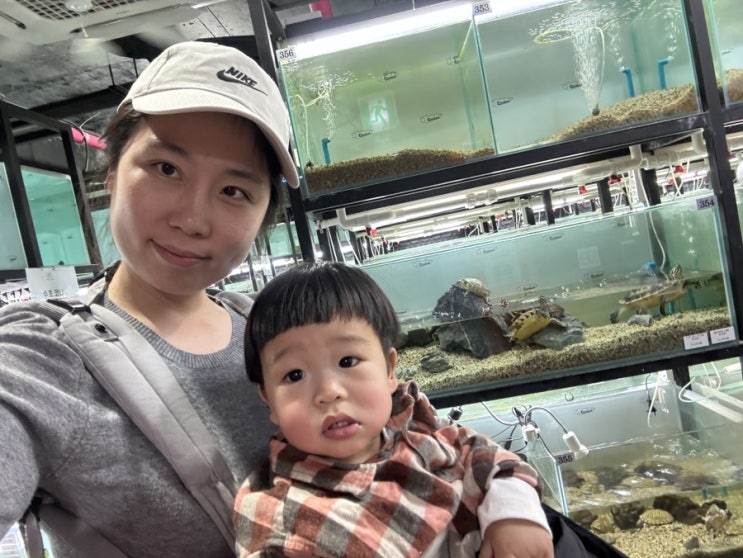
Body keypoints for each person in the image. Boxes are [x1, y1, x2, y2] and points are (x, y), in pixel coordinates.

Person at [0, 40, 300, 557]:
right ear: (112, 172)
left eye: (234, 191)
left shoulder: (276, 332)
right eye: (166, 168)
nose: (192, 219)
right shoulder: (46, 358)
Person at [235, 262, 554, 558]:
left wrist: (514, 513)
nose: (329, 392)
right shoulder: (282, 516)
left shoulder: (415, 429)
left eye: (347, 361)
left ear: (389, 370)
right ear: (268, 400)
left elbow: (485, 455)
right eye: (294, 375)